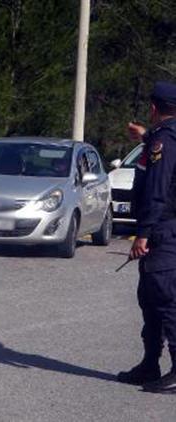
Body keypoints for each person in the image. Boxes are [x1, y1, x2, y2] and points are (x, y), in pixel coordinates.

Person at [117, 81, 176, 394]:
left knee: (166, 300)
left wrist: (143, 233)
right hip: (164, 229)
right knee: (150, 298)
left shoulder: (165, 140)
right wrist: (145, 136)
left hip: (162, 230)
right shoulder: (163, 137)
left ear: (154, 109)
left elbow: (158, 191)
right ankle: (149, 363)